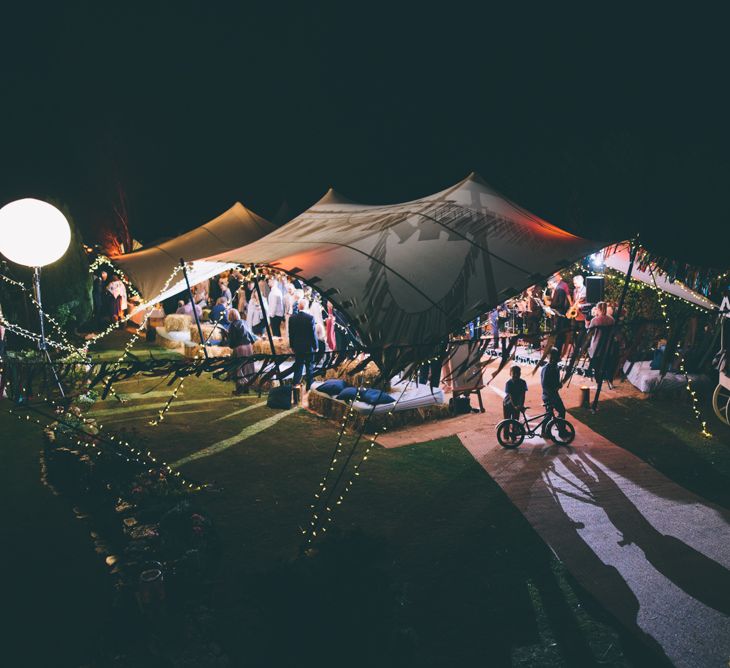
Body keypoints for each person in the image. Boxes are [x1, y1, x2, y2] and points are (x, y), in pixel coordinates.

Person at [288, 298, 317, 391]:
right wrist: (316, 346)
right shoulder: (310, 318)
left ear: (298, 306)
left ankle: (295, 383)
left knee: (298, 365)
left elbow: (291, 334)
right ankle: (309, 386)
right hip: (308, 347)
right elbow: (313, 334)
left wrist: (292, 345)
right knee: (309, 366)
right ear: (306, 306)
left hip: (297, 346)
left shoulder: (292, 318)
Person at [227, 308, 257, 395]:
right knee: (248, 368)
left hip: (239, 348)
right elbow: (250, 335)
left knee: (239, 369)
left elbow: (232, 341)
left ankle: (239, 389)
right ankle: (246, 388)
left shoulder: (232, 326)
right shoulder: (244, 322)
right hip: (248, 347)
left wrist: (230, 345)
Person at [541, 347, 567, 427]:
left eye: (555, 358)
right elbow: (545, 384)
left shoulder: (555, 367)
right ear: (549, 358)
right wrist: (553, 393)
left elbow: (555, 382)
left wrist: (558, 384)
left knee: (549, 414)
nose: (554, 360)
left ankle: (547, 430)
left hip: (552, 394)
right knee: (561, 411)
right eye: (552, 358)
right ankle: (561, 430)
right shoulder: (547, 368)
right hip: (550, 395)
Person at [587, 301, 615, 372]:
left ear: (598, 309)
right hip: (608, 345)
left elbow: (589, 332)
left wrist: (586, 324)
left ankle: (594, 370)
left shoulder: (595, 320)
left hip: (597, 346)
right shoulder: (612, 319)